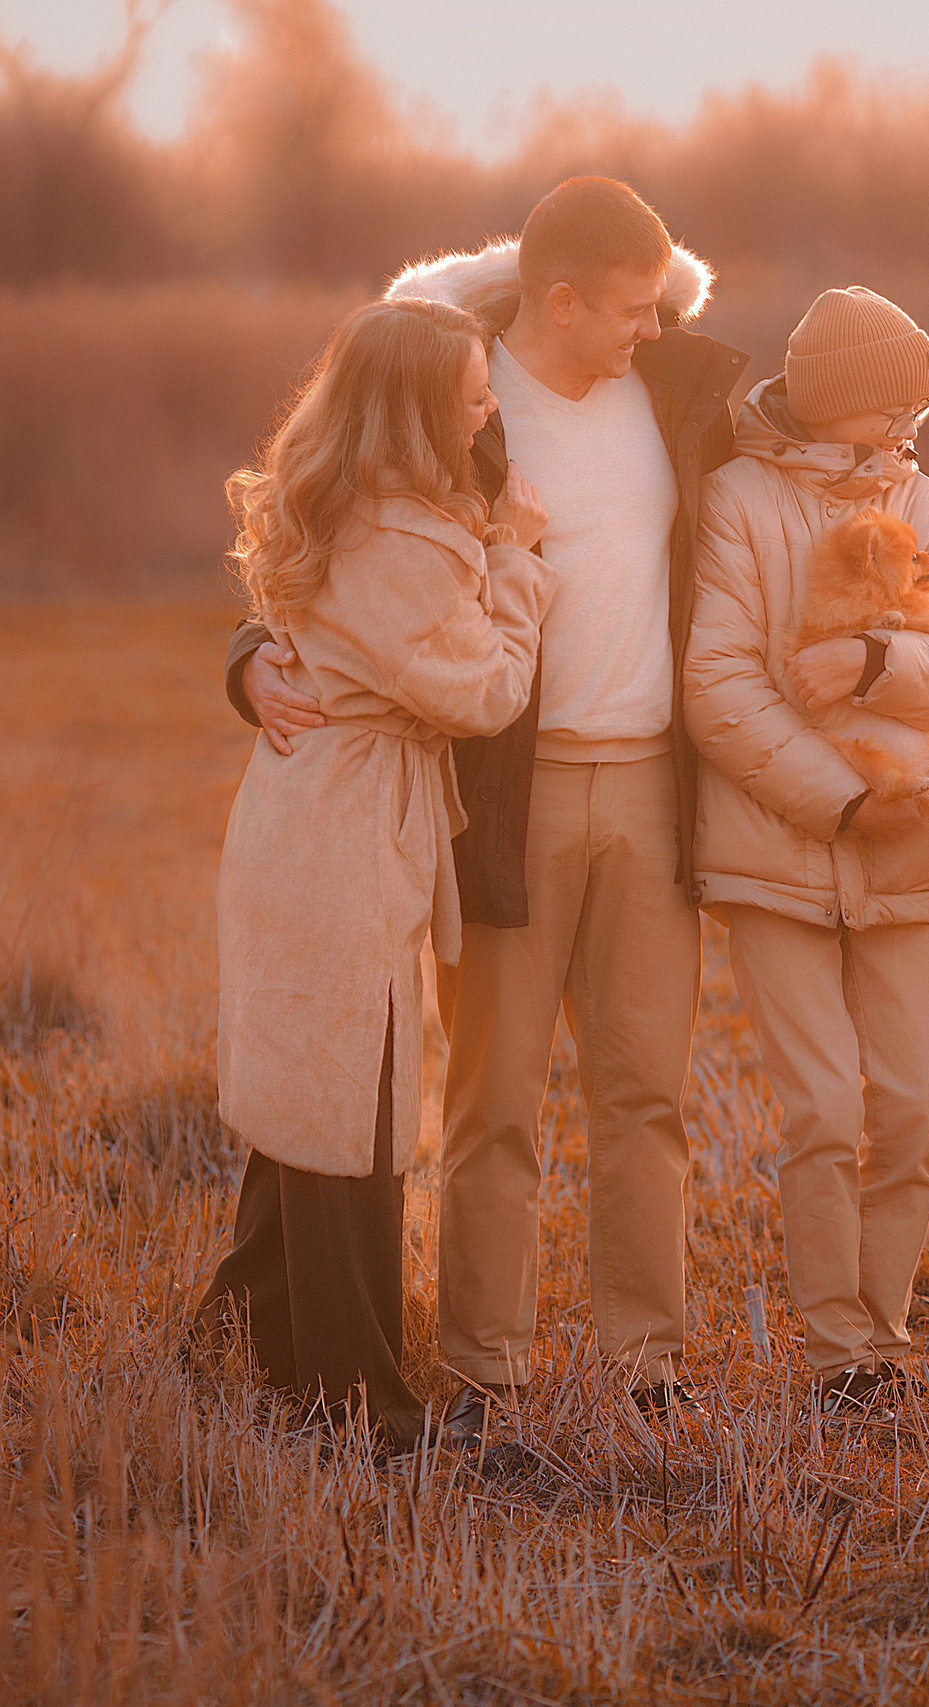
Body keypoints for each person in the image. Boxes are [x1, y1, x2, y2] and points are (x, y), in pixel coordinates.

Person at [218, 178, 749, 1449]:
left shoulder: (682, 399)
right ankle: (485, 1364)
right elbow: (322, 528)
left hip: (648, 787)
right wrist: (245, 653)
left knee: (646, 1094)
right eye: (629, 307)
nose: (652, 325)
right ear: (556, 300)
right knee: (490, 1101)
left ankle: (646, 1361)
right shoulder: (452, 392)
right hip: (496, 798)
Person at [198, 296, 556, 1455]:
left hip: (304, 824)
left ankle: (233, 1343)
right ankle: (357, 1403)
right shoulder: (404, 543)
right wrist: (515, 563)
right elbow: (485, 693)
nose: (490, 409)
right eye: (472, 396)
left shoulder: (339, 499)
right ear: (413, 409)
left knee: (308, 1098)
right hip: (344, 834)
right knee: (350, 1117)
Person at [685, 288, 929, 1419]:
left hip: (909, 849)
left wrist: (875, 662)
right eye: (896, 408)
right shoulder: (734, 499)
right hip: (772, 849)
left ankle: (884, 1326)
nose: (913, 429)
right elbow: (715, 686)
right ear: (842, 405)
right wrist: (835, 800)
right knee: (822, 1108)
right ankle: (841, 1357)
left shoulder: (928, 502)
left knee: (914, 1102)